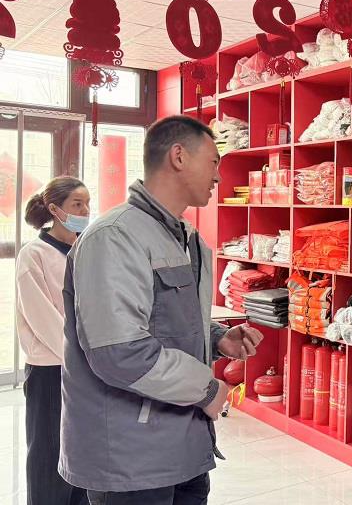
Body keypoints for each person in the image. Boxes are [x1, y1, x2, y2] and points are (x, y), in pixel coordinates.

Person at [59, 115, 264, 505]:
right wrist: (208, 389)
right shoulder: (115, 237)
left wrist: (218, 338)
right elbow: (119, 352)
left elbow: (166, 319)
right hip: (130, 459)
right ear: (179, 156)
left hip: (184, 448)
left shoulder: (187, 238)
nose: (218, 176)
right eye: (214, 161)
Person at [17, 176, 90, 505]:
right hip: (50, 368)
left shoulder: (84, 250)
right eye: (77, 204)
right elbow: (41, 317)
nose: (85, 211)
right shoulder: (33, 254)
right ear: (54, 209)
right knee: (49, 453)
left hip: (85, 366)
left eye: (87, 203)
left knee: (81, 450)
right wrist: (78, 355)